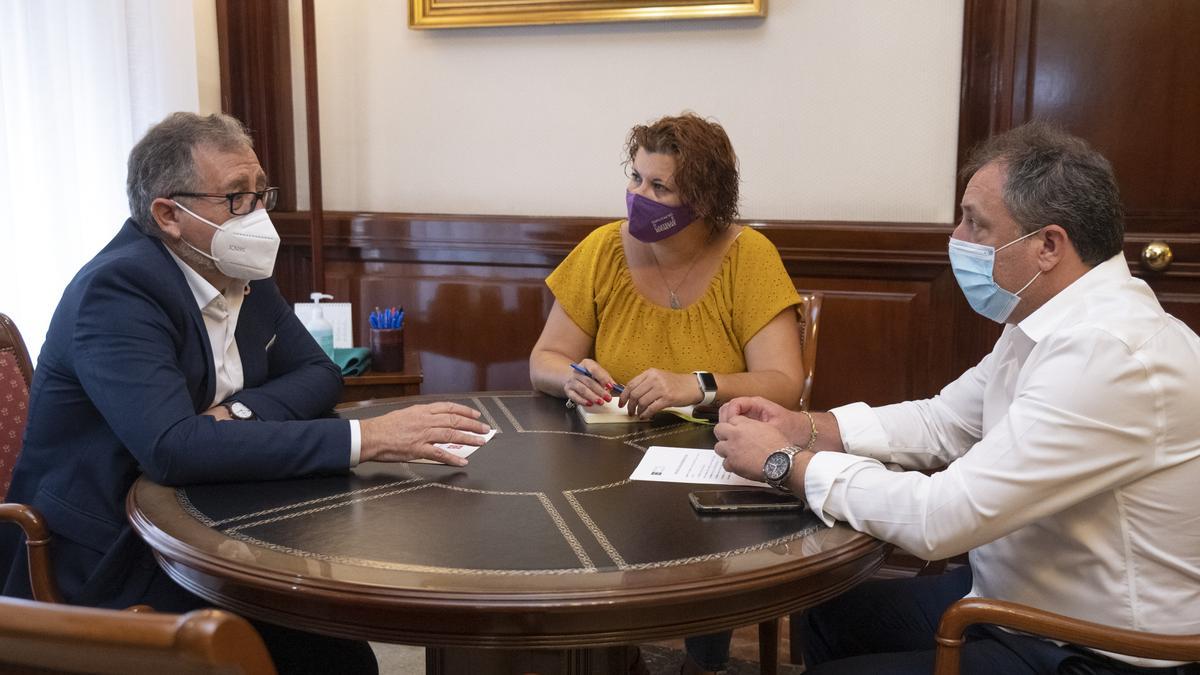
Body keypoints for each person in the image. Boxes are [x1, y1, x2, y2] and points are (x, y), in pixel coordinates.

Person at [0, 112, 491, 675]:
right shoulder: (117, 290)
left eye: (261, 194)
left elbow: (318, 373)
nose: (257, 215)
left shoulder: (236, 266)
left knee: (339, 654)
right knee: (326, 660)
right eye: (235, 198)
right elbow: (173, 449)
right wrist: (368, 437)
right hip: (113, 553)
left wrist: (236, 412)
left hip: (214, 520)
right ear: (169, 215)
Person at [713, 122, 1200, 674]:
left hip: (1096, 649)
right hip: (1016, 602)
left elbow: (943, 518)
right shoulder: (1046, 320)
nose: (957, 239)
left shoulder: (1107, 353)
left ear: (1048, 245)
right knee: (832, 613)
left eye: (976, 223)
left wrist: (784, 463)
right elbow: (944, 421)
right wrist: (805, 427)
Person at [529, 112, 804, 674]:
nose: (639, 196)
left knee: (692, 533)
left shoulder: (748, 256)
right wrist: (572, 377)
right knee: (579, 525)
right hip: (606, 459)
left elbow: (785, 383)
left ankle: (704, 660)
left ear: (703, 199)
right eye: (635, 178)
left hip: (713, 457)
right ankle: (608, 654)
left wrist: (698, 385)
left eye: (659, 186)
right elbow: (544, 359)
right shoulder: (603, 249)